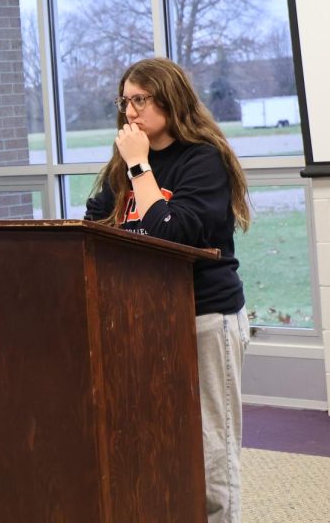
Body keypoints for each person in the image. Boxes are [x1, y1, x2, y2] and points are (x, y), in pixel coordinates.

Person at [84, 57, 250, 523]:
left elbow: (172, 236)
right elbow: (93, 228)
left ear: (169, 100)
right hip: (141, 320)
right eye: (125, 101)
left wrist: (140, 165)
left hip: (204, 318)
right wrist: (131, 167)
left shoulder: (202, 159)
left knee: (211, 446)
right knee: (154, 443)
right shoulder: (122, 169)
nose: (131, 113)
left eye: (141, 100)